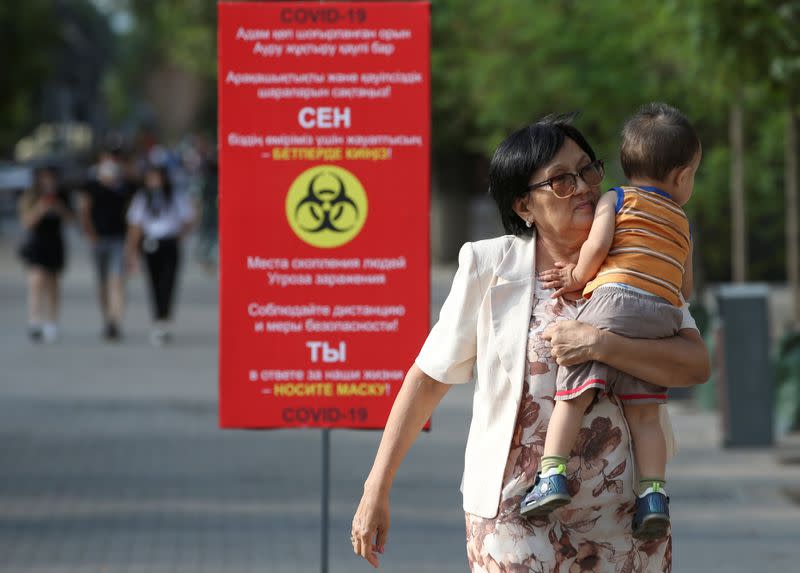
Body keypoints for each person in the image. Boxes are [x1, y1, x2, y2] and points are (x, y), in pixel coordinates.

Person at [351, 113, 709, 571]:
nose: (583, 187)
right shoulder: (490, 266)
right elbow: (429, 378)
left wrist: (599, 344)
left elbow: (695, 364)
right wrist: (375, 488)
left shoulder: (638, 254)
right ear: (524, 206)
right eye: (561, 180)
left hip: (625, 520)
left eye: (588, 170)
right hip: (516, 515)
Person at [519, 103, 701, 541]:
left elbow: (599, 245)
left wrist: (578, 277)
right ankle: (653, 495)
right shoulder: (682, 221)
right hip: (663, 312)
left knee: (573, 396)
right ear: (680, 177)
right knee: (647, 417)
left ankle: (552, 474)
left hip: (614, 299)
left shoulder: (616, 198)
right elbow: (685, 286)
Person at [124, 164, 195, 346]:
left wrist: (180, 235)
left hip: (169, 242)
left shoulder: (174, 196)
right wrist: (131, 251)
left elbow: (188, 217)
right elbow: (135, 225)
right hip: (150, 242)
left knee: (168, 281)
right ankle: (158, 318)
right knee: (154, 282)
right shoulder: (142, 198)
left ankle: (165, 317)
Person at [79, 151, 133, 340]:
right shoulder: (92, 186)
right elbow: (84, 211)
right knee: (102, 283)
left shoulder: (124, 186)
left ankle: (115, 321)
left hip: (118, 239)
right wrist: (90, 234)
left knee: (116, 281)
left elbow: (132, 212)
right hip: (99, 239)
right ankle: (107, 318)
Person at [17, 167, 73, 342]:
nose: (48, 182)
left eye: (52, 178)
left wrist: (58, 208)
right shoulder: (31, 196)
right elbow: (27, 223)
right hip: (36, 244)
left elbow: (71, 220)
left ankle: (52, 322)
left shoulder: (62, 196)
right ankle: (34, 321)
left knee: (53, 284)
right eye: (45, 178)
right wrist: (41, 208)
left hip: (55, 243)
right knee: (36, 282)